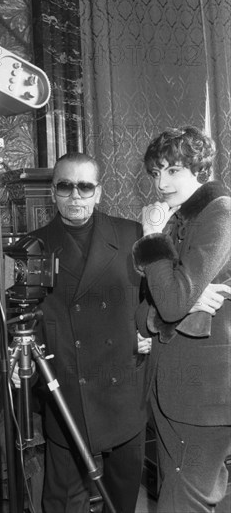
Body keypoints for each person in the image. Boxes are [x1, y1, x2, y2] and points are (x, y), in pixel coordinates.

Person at [27, 152, 149, 513]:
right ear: (53, 192)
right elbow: (25, 319)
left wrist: (148, 332)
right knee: (63, 501)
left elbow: (152, 298)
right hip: (66, 388)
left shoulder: (132, 235)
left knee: (121, 498)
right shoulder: (33, 246)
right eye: (65, 186)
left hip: (123, 385)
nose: (75, 195)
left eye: (85, 186)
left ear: (99, 192)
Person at [132, 126, 231, 513]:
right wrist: (170, 312)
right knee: (182, 494)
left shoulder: (219, 213)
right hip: (174, 388)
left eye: (173, 171)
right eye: (156, 173)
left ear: (199, 171)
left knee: (183, 502)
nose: (161, 182)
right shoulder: (179, 218)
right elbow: (146, 312)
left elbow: (170, 301)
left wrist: (152, 234)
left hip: (204, 397)